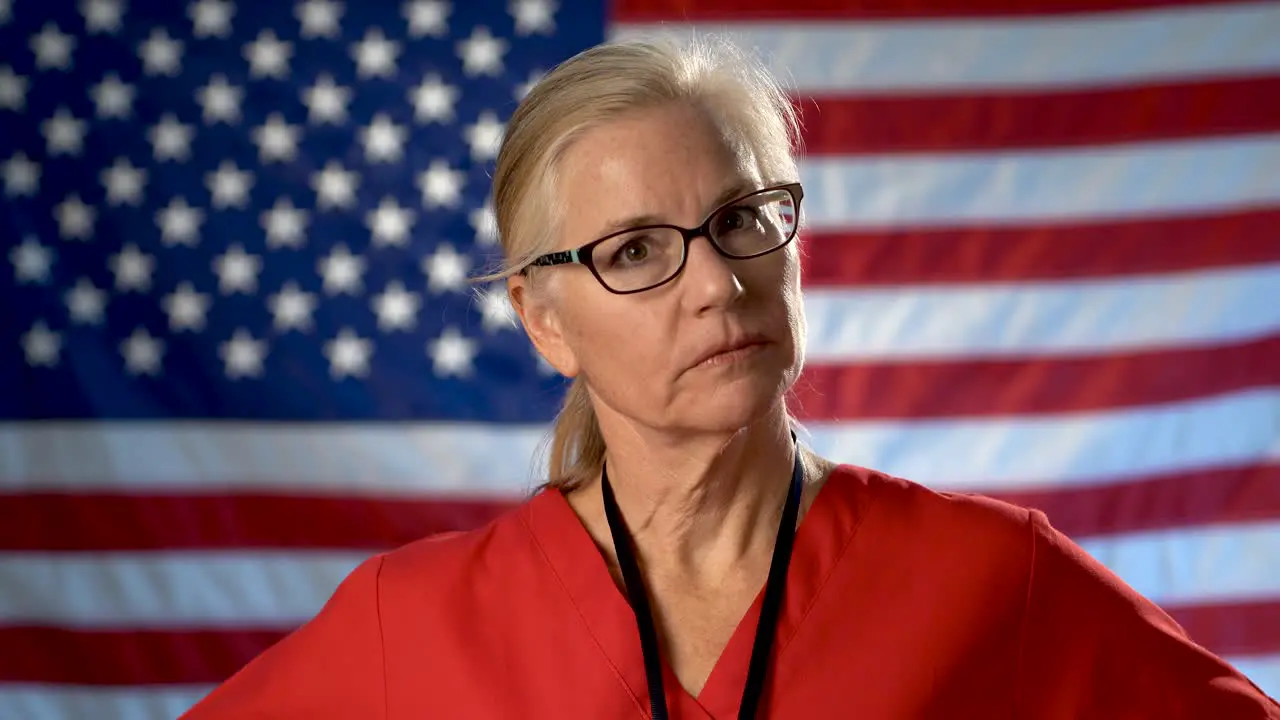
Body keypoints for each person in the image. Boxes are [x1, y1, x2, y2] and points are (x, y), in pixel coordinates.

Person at [182, 36, 1280, 719]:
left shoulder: (992, 582)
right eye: (634, 250)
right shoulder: (408, 625)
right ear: (541, 320)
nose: (714, 282)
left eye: (741, 219)